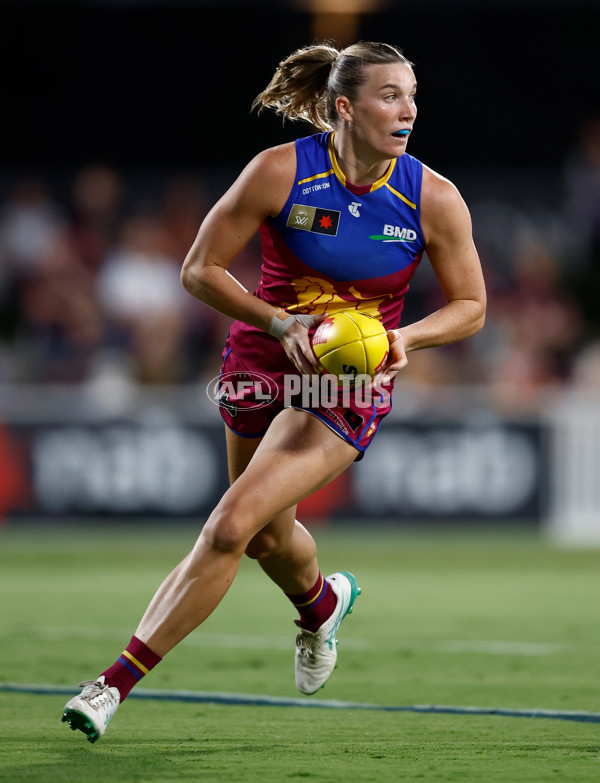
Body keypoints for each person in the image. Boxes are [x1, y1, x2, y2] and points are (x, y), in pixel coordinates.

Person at [61, 40, 486, 742]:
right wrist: (276, 318)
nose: (407, 108)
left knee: (229, 524)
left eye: (411, 94)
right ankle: (322, 603)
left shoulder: (431, 197)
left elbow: (471, 304)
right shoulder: (280, 172)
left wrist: (410, 337)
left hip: (347, 385)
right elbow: (200, 270)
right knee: (262, 536)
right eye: (389, 95)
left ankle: (112, 683)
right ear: (344, 107)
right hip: (262, 358)